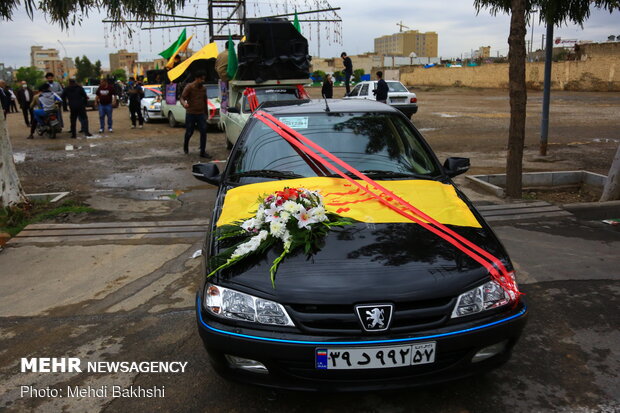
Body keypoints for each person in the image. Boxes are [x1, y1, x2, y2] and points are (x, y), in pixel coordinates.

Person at [180, 71, 209, 158]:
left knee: (203, 132)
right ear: (196, 79)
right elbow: (182, 98)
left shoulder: (203, 89)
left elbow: (205, 101)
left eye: (203, 79)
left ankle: (202, 152)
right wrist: (184, 104)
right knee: (189, 132)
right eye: (201, 79)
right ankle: (185, 146)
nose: (202, 81)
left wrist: (206, 113)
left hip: (201, 114)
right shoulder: (189, 87)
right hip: (191, 114)